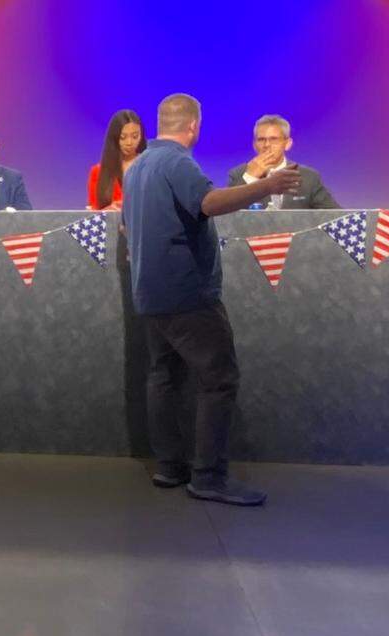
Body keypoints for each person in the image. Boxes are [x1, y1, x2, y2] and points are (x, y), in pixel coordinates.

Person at [122, 93, 301, 506]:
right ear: (194, 126)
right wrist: (264, 185)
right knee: (219, 379)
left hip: (149, 293)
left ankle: (169, 467)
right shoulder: (178, 162)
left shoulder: (138, 168)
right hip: (187, 293)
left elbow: (127, 230)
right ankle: (209, 477)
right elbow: (208, 203)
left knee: (163, 376)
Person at [226, 114, 340, 209]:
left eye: (273, 139)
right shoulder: (239, 174)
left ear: (287, 144)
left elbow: (335, 216)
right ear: (254, 145)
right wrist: (250, 178)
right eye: (261, 140)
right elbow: (225, 214)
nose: (267, 145)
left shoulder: (308, 177)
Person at [88, 110, 146, 210]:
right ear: (114, 138)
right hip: (111, 225)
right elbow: (93, 216)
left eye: (135, 136)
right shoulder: (97, 172)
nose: (129, 142)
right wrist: (108, 211)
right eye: (123, 137)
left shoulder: (150, 166)